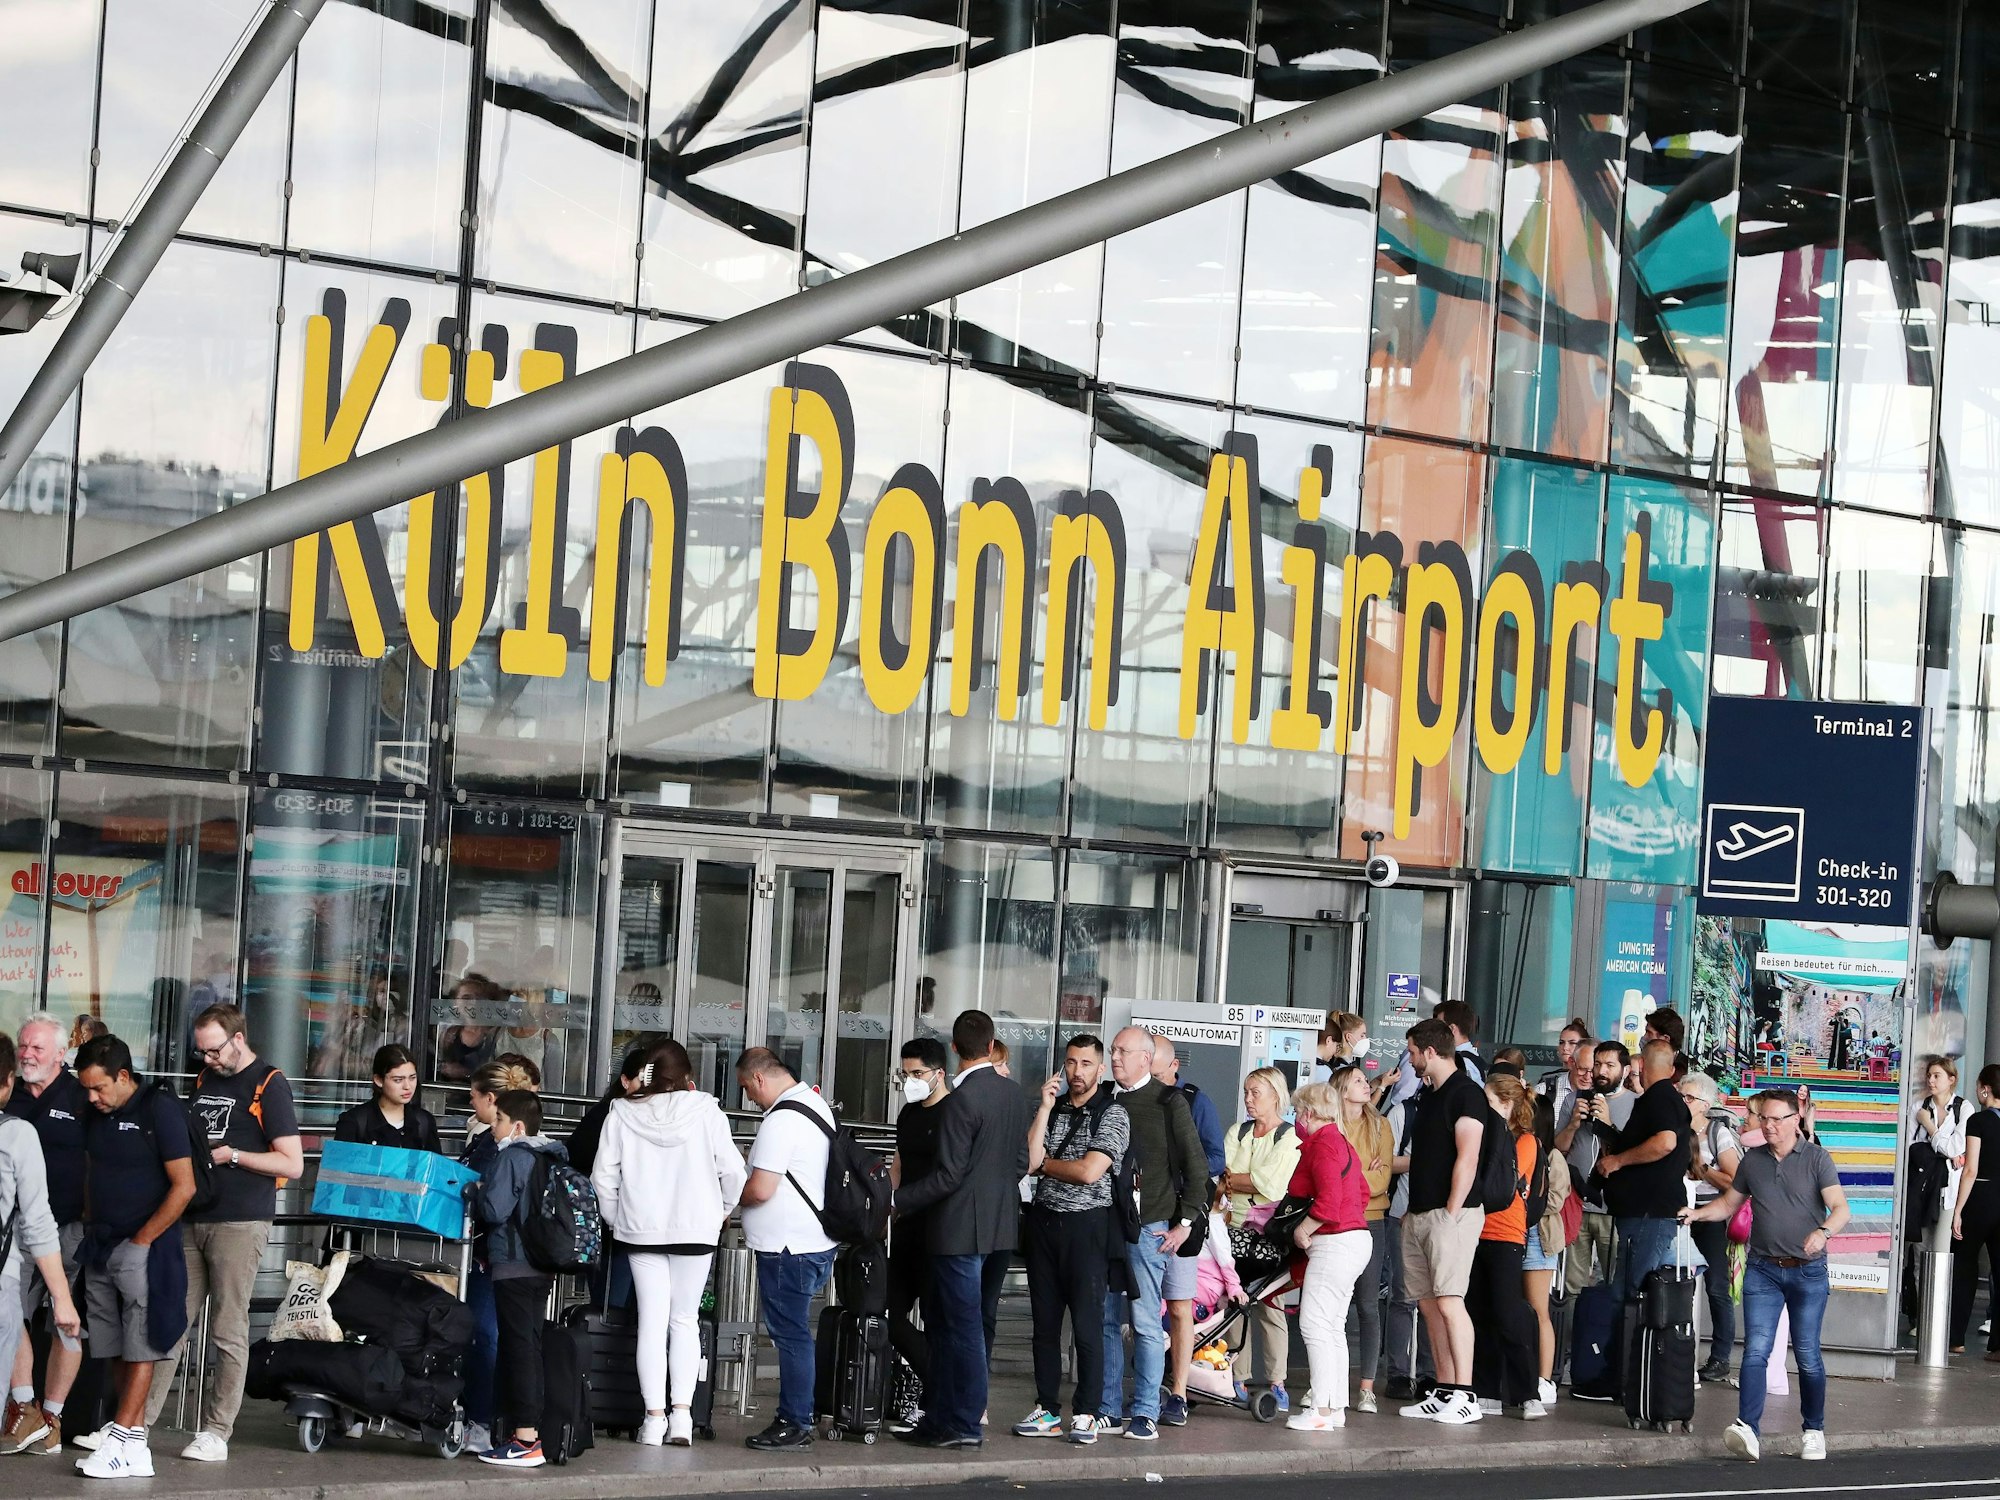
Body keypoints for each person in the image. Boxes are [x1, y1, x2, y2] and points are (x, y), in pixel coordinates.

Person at [146, 1004, 303, 1462]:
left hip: (241, 1218)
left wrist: (233, 1155)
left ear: (238, 1039)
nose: (208, 1059)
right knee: (170, 1321)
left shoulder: (269, 1083)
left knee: (228, 1327)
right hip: (195, 1213)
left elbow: (292, 1163)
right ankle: (137, 1423)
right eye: (202, 1052)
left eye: (214, 1050)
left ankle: (217, 1430)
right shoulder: (204, 1079)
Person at [591, 1038, 746, 1446]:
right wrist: (720, 1211)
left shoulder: (621, 1113)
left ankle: (654, 1419)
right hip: (696, 1229)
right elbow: (734, 1172)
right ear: (686, 1075)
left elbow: (603, 1179)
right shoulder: (706, 1111)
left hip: (640, 1230)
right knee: (685, 1320)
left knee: (652, 1322)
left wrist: (619, 1219)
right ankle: (682, 1418)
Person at [1683, 1088, 1848, 1462]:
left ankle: (1813, 1430)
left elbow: (1840, 1208)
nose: (1768, 1125)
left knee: (1807, 1353)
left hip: (1808, 1272)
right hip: (1763, 1270)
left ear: (1795, 1120)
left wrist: (1823, 1233)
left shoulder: (1817, 1158)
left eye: (1776, 1119)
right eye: (1764, 1119)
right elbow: (1729, 1203)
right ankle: (1748, 1428)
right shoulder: (1753, 1162)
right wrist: (1696, 1214)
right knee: (1755, 1349)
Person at [892, 1011, 1029, 1450]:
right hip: (1001, 1227)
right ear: (991, 1046)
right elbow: (1022, 1163)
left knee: (957, 1328)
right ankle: (950, 1417)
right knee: (971, 1326)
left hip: (956, 1232)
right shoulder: (1013, 1093)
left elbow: (948, 1176)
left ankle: (961, 1422)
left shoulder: (960, 1101)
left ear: (953, 1049)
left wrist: (896, 1201)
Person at [72, 1035, 196, 1478]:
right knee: (113, 1346)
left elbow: (185, 1185)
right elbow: (92, 1169)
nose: (92, 1097)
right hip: (101, 1242)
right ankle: (134, 1444)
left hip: (145, 1246)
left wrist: (143, 1240)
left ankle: (121, 1437)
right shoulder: (95, 1113)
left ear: (123, 1076)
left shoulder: (158, 1109)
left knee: (142, 1343)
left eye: (99, 1087)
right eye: (86, 1088)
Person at [1013, 1033, 1128, 1445]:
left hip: (1088, 1227)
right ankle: (1047, 1409)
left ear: (1101, 1068)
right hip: (1044, 1224)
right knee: (1044, 1326)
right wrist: (1044, 1108)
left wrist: (1047, 1165)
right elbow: (1029, 1163)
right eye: (1071, 1063)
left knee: (1086, 1326)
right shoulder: (1054, 1108)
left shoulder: (1113, 1114)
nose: (1077, 1072)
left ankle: (1087, 1414)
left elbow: (1089, 1172)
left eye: (1086, 1064)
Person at [1099, 1026, 1208, 1440]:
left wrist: (1183, 1225)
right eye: (1113, 1050)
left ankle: (1146, 1410)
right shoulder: (1104, 1098)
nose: (1115, 1057)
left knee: (1145, 1322)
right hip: (1103, 1227)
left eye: (1123, 1051)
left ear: (1146, 1059)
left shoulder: (1168, 1102)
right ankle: (1109, 1408)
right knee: (1105, 1320)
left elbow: (1198, 1168)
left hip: (1149, 1229)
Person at [735, 1047, 837, 1452]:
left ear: (759, 1078)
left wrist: (728, 1200)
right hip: (813, 1242)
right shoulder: (815, 1104)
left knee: (791, 1335)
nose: (748, 1098)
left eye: (747, 1088)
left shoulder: (781, 1119)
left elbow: (761, 1189)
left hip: (787, 1247)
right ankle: (798, 1416)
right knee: (795, 1332)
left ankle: (795, 1421)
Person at [3, 1013, 89, 1456]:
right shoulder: (10, 1096)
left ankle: (52, 1418)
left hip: (69, 1229)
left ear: (60, 1053)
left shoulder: (82, 1097)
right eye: (23, 1046)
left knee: (65, 1321)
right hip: (14, 1231)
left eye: (37, 1047)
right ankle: (24, 1410)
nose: (27, 1054)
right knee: (10, 1313)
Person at [1396, 1018, 1487, 1424]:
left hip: (1452, 1215)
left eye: (1413, 1052)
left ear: (1430, 1052)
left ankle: (1466, 1395)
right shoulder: (1430, 1095)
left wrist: (1451, 1211)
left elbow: (1468, 1157)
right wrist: (1412, 1211)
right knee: (1430, 1305)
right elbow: (1429, 1158)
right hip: (1420, 1212)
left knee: (1450, 1302)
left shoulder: (1466, 1094)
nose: (1410, 1059)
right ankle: (1445, 1389)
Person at [471, 1089, 568, 1468]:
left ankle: (526, 1439)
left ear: (518, 1126)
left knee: (518, 1348)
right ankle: (528, 1433)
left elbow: (495, 1210)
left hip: (513, 1264)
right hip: (541, 1265)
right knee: (529, 1344)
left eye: (499, 1120)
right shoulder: (550, 1155)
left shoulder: (513, 1156)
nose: (493, 1127)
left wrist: (477, 1193)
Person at [1282, 1081, 1372, 1432]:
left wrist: (1303, 1230)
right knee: (1333, 1326)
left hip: (1334, 1243)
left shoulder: (1321, 1145)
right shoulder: (1343, 1143)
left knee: (1314, 1324)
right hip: (1356, 1239)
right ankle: (1334, 1408)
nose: (1296, 1118)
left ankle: (1319, 1409)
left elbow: (1329, 1203)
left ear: (1307, 1113)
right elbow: (1362, 1193)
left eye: (1297, 1111)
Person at [460, 1058, 536, 1456]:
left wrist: (476, 1194)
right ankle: (500, 1423)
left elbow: (493, 1208)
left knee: (491, 1337)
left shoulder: (505, 1151)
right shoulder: (527, 1149)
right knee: (512, 1340)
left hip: (498, 1257)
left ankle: (489, 1423)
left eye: (475, 1097)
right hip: (514, 1259)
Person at [1597, 1039, 1697, 1343]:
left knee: (1632, 1292)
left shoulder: (1660, 1097)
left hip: (1648, 1213)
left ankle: (1630, 1362)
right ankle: (1625, 1362)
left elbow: (1665, 1142)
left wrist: (1618, 1161)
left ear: (1640, 1065)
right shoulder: (1665, 1099)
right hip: (1644, 1211)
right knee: (1627, 1289)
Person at [1149, 1034, 1226, 1407]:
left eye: (1156, 1075)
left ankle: (1178, 1392)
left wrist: (1179, 1171)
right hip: (1145, 1215)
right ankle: (1149, 1390)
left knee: (1179, 1306)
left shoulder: (1196, 1101)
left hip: (1182, 1216)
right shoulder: (1132, 1098)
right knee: (1144, 1308)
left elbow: (1216, 1158)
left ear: (1174, 1067)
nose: (1150, 1082)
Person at [1222, 1066, 1300, 1408]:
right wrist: (1240, 1180)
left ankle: (1277, 1381)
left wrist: (1235, 1180)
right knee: (1233, 1300)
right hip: (1231, 1228)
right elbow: (1221, 1175)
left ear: (1276, 1096)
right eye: (1246, 1092)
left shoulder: (1289, 1137)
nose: (1248, 1099)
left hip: (1268, 1232)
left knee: (1270, 1303)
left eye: (1256, 1093)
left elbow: (1270, 1184)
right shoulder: (1237, 1131)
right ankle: (1236, 1377)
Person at [1467, 1074, 1543, 1419]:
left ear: (1507, 1105)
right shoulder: (1484, 1134)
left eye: (1489, 1101)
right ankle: (1487, 1390)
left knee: (1509, 1313)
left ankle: (1528, 1393)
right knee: (1480, 1313)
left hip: (1506, 1235)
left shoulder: (1526, 1141)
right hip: (1476, 1231)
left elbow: (1502, 1183)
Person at [890, 1037, 950, 1429]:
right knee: (887, 1312)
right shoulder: (909, 1113)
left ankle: (936, 1399)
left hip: (940, 1231)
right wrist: (888, 1209)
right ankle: (938, 1384)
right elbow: (899, 1164)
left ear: (938, 1074)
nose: (910, 1080)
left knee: (936, 1319)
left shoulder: (953, 1114)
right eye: (905, 1073)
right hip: (906, 1228)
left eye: (917, 1073)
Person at [1331, 1062, 1392, 1412]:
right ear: (1342, 1091)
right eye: (1357, 1081)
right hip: (1334, 1222)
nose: (1366, 1084)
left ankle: (1367, 1386)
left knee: (1368, 1304)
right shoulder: (1331, 1128)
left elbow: (1381, 1182)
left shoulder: (1380, 1126)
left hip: (1371, 1221)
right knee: (1332, 1307)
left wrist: (1346, 1180)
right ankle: (1329, 1383)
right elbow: (1327, 1179)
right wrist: (1358, 1177)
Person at [1555, 1041, 1635, 1298]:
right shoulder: (1574, 1099)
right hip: (1576, 1202)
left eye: (1610, 1065)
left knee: (1615, 1281)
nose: (1601, 1071)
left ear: (1625, 1070)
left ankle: (1607, 1324)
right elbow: (1558, 1148)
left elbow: (1635, 1153)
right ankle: (1572, 1324)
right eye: (1597, 1064)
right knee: (1572, 1283)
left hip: (1613, 1209)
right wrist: (1572, 1124)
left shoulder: (1637, 1104)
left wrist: (1608, 1123)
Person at [1681, 1071, 1742, 1383]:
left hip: (1711, 1215)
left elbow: (1734, 1181)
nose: (1683, 1101)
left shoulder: (1718, 1133)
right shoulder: (1673, 1128)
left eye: (1689, 1097)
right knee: (1679, 1285)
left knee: (1717, 1286)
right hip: (1679, 1213)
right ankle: (1679, 1351)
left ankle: (1720, 1358)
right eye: (1681, 1096)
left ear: (1705, 1104)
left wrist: (1701, 1168)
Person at [1380, 1071, 1433, 1401]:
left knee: (1433, 1299)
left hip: (1441, 1219)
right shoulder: (1403, 1113)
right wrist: (1420, 1162)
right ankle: (1398, 1373)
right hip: (1401, 1214)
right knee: (1402, 1295)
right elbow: (1382, 1162)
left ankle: (1430, 1373)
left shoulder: (1459, 1115)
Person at [1948, 1064, 2000, 1356]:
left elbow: (1970, 1169)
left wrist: (1958, 1209)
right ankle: (1998, 1346)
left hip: (1981, 1197)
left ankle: (1956, 1338)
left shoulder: (1979, 1121)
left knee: (1965, 1266)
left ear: (1985, 1089)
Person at [333, 1044, 442, 1153]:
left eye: (412, 1078)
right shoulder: (353, 1122)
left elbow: (436, 1163)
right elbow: (339, 1162)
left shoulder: (424, 1122)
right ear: (379, 1080)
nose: (407, 1086)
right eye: (398, 1080)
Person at [562, 1044, 648, 1177]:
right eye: (643, 1080)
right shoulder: (603, 1116)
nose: (648, 1088)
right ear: (625, 1081)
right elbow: (579, 1158)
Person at [436, 974, 501, 1082]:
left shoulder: (497, 1034)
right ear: (455, 1002)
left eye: (479, 998)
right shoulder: (449, 1034)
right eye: (466, 998)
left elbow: (500, 1075)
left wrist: (466, 1073)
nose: (473, 1002)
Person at [1540, 1019, 1592, 1099]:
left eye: (1572, 1043)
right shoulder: (1547, 1081)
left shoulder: (1594, 1080)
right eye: (1561, 1042)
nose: (1565, 1047)